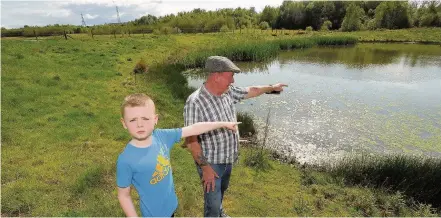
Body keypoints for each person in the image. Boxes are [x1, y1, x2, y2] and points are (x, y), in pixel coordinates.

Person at [184, 56, 287, 217]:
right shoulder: (195, 102)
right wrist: (205, 168)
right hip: (211, 163)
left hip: (228, 159)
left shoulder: (228, 92)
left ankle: (220, 211)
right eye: (230, 75)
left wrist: (272, 87)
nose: (233, 81)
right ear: (216, 76)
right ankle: (215, 212)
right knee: (212, 203)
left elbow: (252, 90)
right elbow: (191, 141)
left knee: (221, 191)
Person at [116, 93, 241, 217]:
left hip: (171, 206)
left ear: (155, 120)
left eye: (145, 118)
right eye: (133, 120)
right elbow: (124, 195)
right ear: (124, 123)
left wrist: (223, 124)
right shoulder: (125, 160)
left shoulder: (162, 136)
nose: (139, 124)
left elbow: (194, 128)